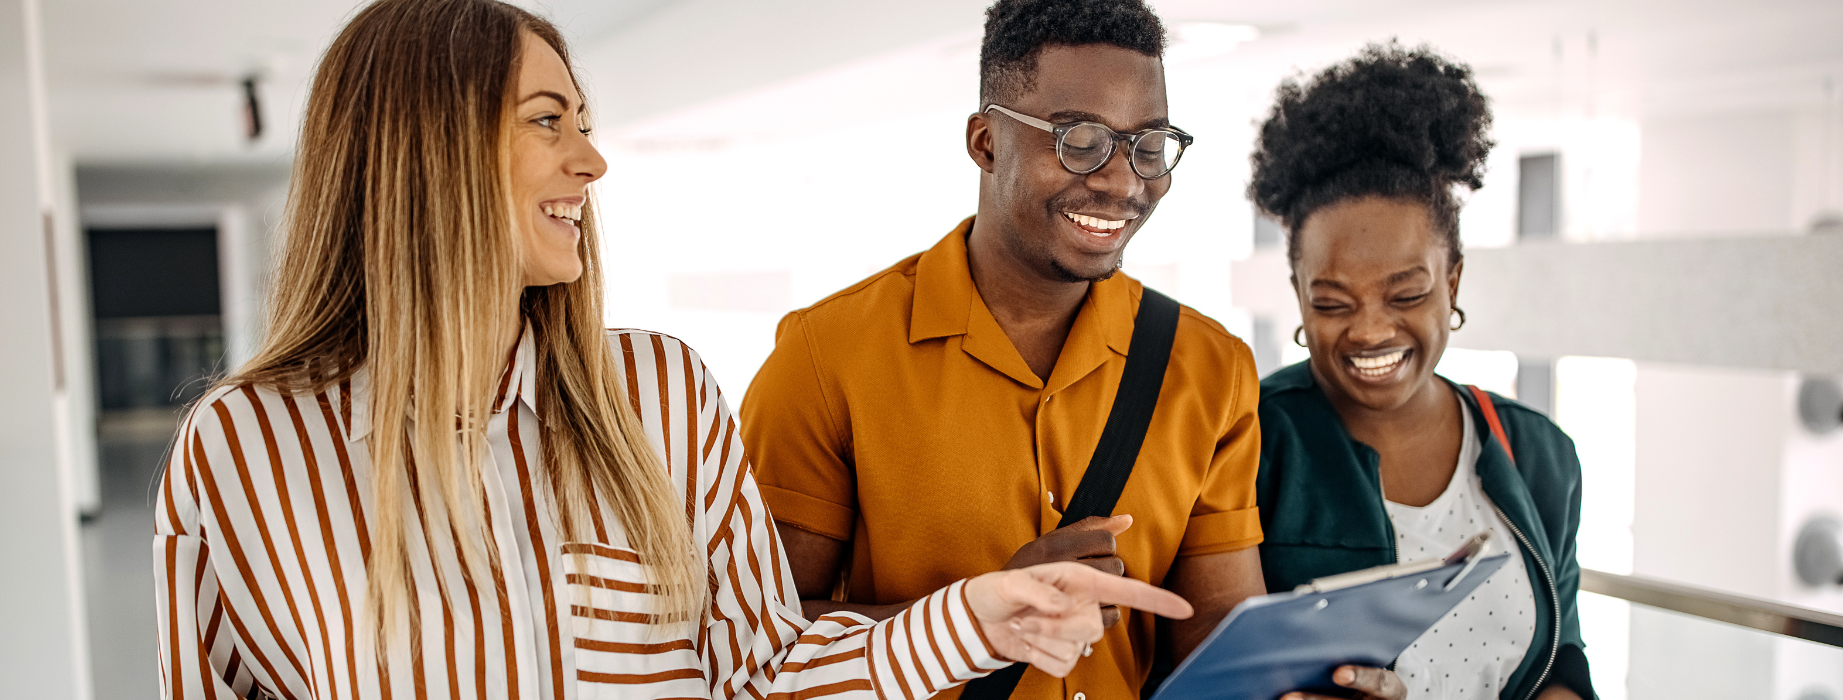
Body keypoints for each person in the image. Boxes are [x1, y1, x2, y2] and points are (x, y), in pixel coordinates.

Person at [149, 1, 1192, 698]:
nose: (592, 159)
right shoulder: (238, 452)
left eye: (585, 120)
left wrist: (977, 617)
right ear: (429, 148)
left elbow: (762, 667)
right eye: (548, 121)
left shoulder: (660, 393)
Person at [741, 2, 1395, 699]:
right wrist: (971, 621)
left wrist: (1292, 685)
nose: (1122, 182)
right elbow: (761, 644)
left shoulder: (1210, 367)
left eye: (1149, 145)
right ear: (987, 141)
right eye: (1080, 140)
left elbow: (1212, 627)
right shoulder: (826, 355)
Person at [1247, 43, 1595, 700]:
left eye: (1406, 294)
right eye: (1331, 302)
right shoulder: (1252, 441)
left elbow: (1560, 657)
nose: (1372, 331)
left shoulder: (1539, 454)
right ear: (1297, 294)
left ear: (1452, 282)